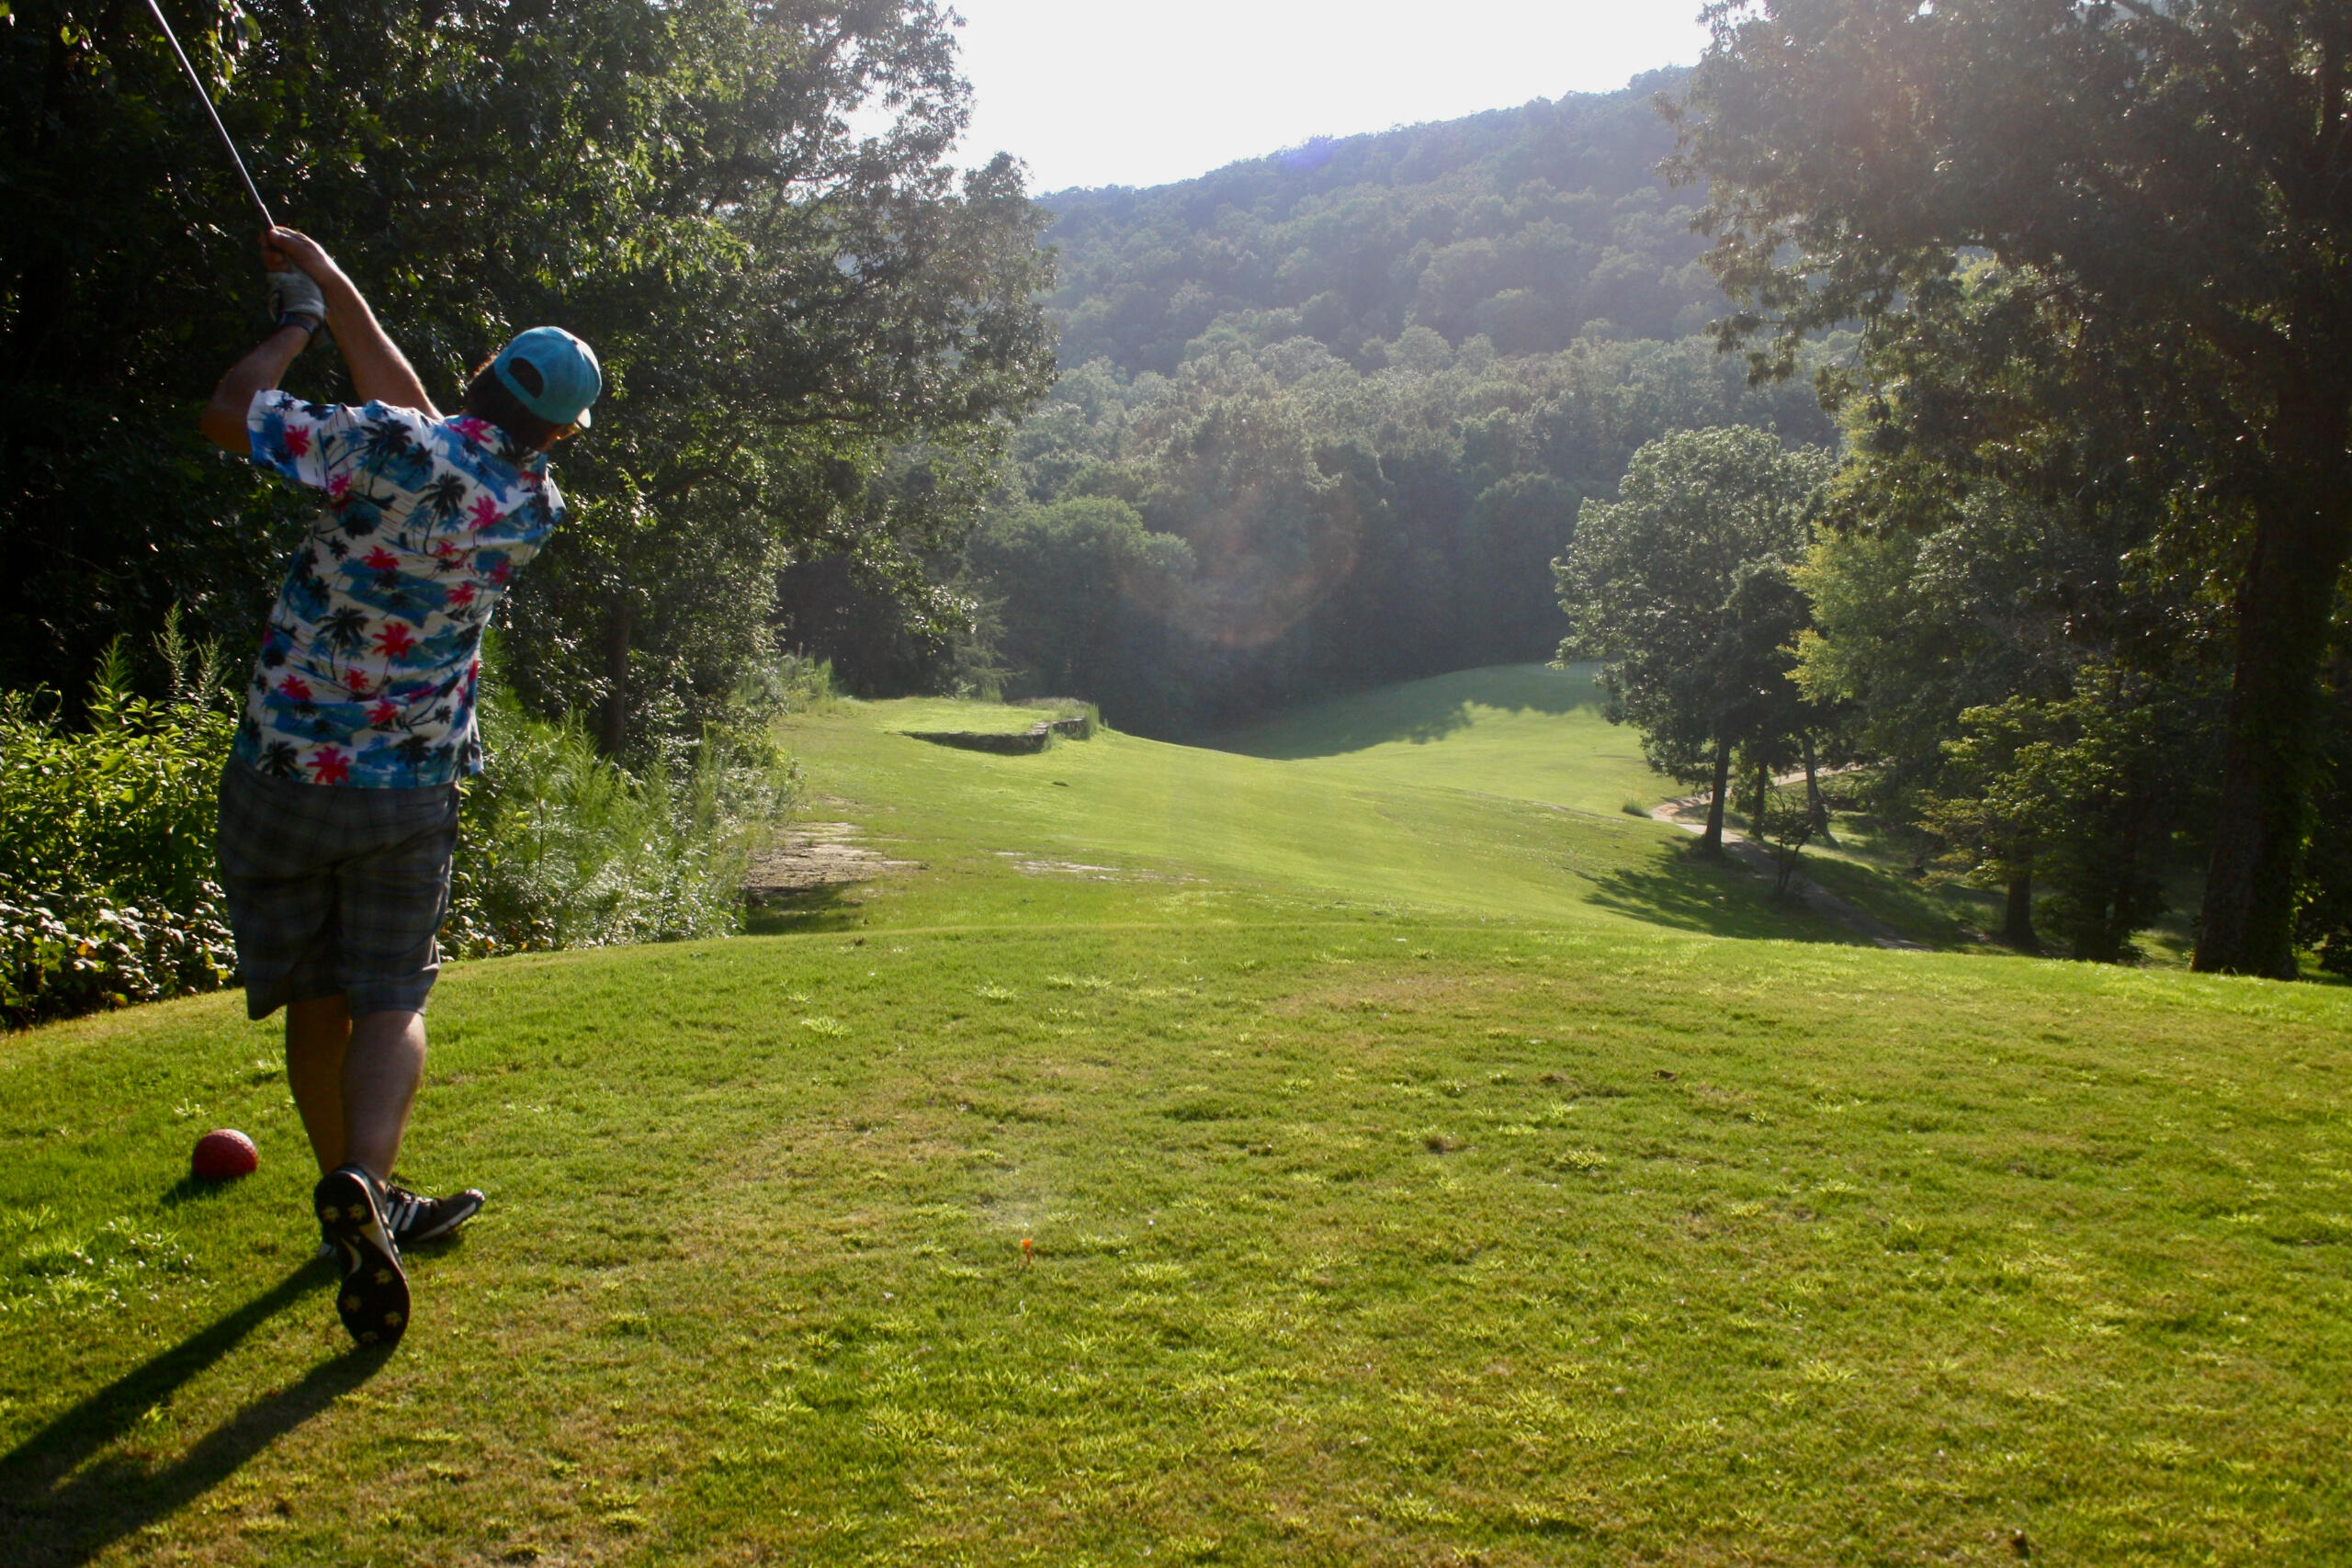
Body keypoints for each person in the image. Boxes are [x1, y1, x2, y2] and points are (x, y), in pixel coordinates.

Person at [198, 226, 600, 1349]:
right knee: (391, 998)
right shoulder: (530, 505)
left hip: (280, 768)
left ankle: (352, 1201)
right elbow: (427, 420)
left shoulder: (379, 447)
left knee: (318, 999)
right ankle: (367, 1184)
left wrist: (292, 324)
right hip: (405, 785)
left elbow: (230, 414)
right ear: (559, 432)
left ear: (481, 376)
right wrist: (332, 284)